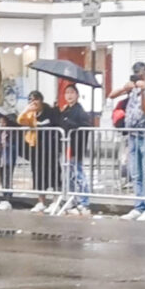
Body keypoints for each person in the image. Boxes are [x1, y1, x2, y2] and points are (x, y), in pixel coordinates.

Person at [108, 61, 145, 221]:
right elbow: (111, 95)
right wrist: (126, 88)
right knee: (136, 173)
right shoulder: (131, 90)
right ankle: (139, 206)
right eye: (136, 73)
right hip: (133, 135)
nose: (139, 76)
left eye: (141, 73)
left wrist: (143, 92)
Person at [18, 91, 61, 213]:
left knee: (53, 174)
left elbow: (57, 124)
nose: (33, 102)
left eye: (35, 99)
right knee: (37, 173)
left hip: (50, 147)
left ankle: (55, 201)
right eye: (30, 100)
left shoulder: (50, 111)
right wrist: (26, 110)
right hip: (36, 147)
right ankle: (41, 202)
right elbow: (20, 120)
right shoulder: (31, 114)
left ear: (41, 100)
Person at [58, 84, 93, 216]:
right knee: (69, 176)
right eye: (67, 93)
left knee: (78, 175)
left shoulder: (80, 111)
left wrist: (70, 124)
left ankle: (84, 202)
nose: (69, 95)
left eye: (72, 92)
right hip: (66, 147)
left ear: (77, 95)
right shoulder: (66, 110)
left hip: (75, 147)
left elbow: (85, 126)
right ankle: (74, 200)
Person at [0, 113, 20, 210]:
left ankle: (8, 197)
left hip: (9, 157)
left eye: (3, 122)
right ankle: (4, 195)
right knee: (2, 176)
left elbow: (15, 146)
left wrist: (6, 144)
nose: (1, 125)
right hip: (1, 157)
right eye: (0, 123)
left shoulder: (12, 132)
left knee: (8, 176)